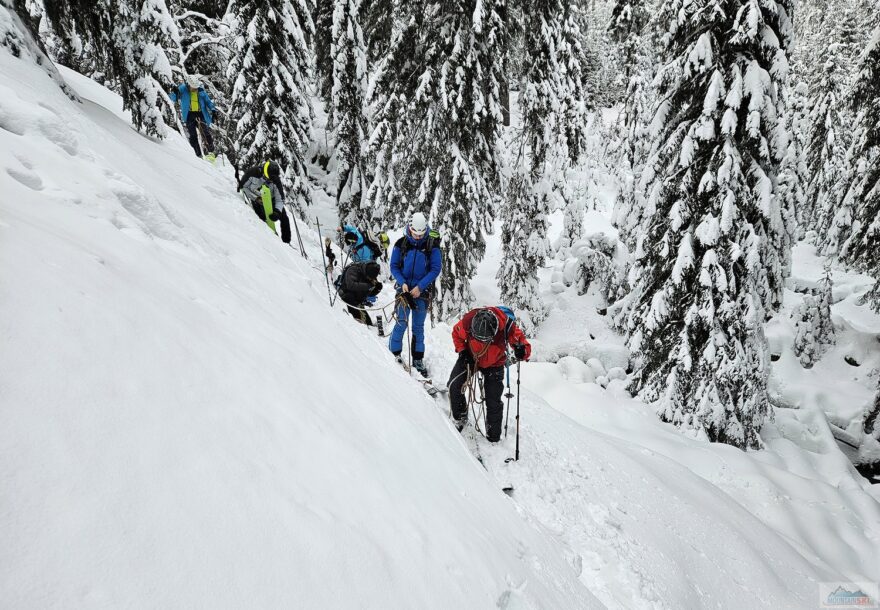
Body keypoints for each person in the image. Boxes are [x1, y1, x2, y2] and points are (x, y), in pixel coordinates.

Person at [448, 306, 531, 442]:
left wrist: (521, 351)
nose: (482, 342)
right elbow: (456, 334)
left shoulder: (507, 326)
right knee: (454, 385)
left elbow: (524, 345)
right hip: (470, 357)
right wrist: (462, 351)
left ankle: (493, 437)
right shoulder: (468, 321)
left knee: (493, 402)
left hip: (495, 363)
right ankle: (460, 417)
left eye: (484, 339)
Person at [388, 212, 442, 377]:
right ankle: (394, 352)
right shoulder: (401, 244)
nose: (418, 237)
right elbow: (394, 266)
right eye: (415, 234)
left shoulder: (432, 246)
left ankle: (418, 359)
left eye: (420, 234)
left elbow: (435, 269)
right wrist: (402, 282)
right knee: (401, 322)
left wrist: (420, 286)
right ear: (409, 229)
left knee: (418, 328)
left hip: (421, 293)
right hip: (404, 291)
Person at [236, 160, 291, 243]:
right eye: (270, 177)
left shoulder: (276, 180)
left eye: (274, 178)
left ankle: (286, 243)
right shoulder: (252, 173)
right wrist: (256, 198)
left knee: (284, 218)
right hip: (256, 199)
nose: (272, 180)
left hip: (271, 199)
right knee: (262, 218)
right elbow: (244, 187)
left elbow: (280, 199)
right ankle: (271, 239)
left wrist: (277, 211)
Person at [169, 75, 216, 161]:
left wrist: (213, 110)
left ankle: (211, 153)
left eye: (196, 88)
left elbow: (208, 101)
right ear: (188, 85)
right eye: (193, 88)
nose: (195, 89)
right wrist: (174, 92)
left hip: (200, 113)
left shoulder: (200, 90)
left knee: (205, 132)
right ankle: (198, 155)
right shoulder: (182, 89)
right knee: (193, 135)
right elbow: (172, 98)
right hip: (189, 114)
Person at [337, 261, 383, 326]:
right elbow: (351, 285)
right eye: (370, 278)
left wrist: (377, 289)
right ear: (367, 273)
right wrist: (369, 285)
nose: (370, 279)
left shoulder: (371, 276)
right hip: (346, 298)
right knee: (360, 322)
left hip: (358, 302)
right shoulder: (353, 270)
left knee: (369, 324)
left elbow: (369, 294)